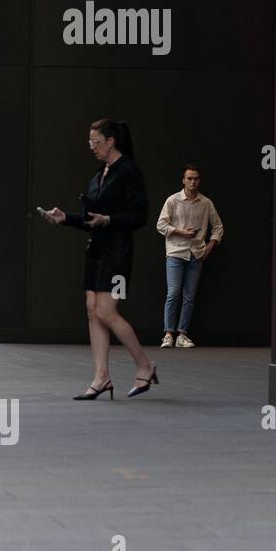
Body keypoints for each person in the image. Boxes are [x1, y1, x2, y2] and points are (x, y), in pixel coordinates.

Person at [42, 118, 158, 400]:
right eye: (89, 142)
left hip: (118, 251)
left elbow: (140, 216)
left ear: (110, 141)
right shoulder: (100, 173)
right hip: (96, 250)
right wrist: (65, 218)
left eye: (95, 142)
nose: (91, 147)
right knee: (92, 308)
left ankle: (145, 365)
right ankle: (101, 377)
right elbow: (90, 219)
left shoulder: (128, 171)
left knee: (107, 311)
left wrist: (109, 219)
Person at [156, 164, 224, 349]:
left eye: (196, 178)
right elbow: (161, 225)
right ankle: (168, 334)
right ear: (183, 180)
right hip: (176, 252)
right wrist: (180, 232)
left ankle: (182, 335)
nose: (193, 182)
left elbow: (218, 226)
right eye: (189, 178)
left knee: (189, 296)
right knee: (173, 293)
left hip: (196, 253)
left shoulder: (206, 203)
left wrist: (210, 245)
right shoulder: (173, 200)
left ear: (199, 181)